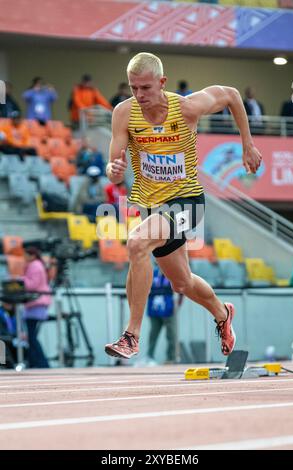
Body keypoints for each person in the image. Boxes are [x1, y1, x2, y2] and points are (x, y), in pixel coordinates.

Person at [104, 52, 262, 360]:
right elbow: (114, 163)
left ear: (161, 82)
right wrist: (114, 171)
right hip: (152, 205)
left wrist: (248, 143)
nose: (139, 95)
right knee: (181, 282)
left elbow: (231, 94)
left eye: (146, 88)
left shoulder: (187, 107)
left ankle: (131, 335)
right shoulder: (124, 113)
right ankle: (222, 313)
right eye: (134, 88)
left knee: (137, 243)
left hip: (187, 201)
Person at [23, 246, 51, 368]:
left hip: (36, 303)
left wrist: (20, 279)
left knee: (31, 336)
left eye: (26, 255)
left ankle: (41, 362)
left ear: (32, 255)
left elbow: (32, 284)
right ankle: (36, 361)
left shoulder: (34, 265)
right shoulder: (38, 265)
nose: (24, 257)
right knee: (32, 336)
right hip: (37, 303)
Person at [147, 265, 177, 364]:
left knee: (171, 334)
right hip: (154, 308)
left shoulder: (172, 272)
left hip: (168, 307)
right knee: (153, 334)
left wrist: (177, 304)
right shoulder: (152, 273)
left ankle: (171, 358)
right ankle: (149, 357)